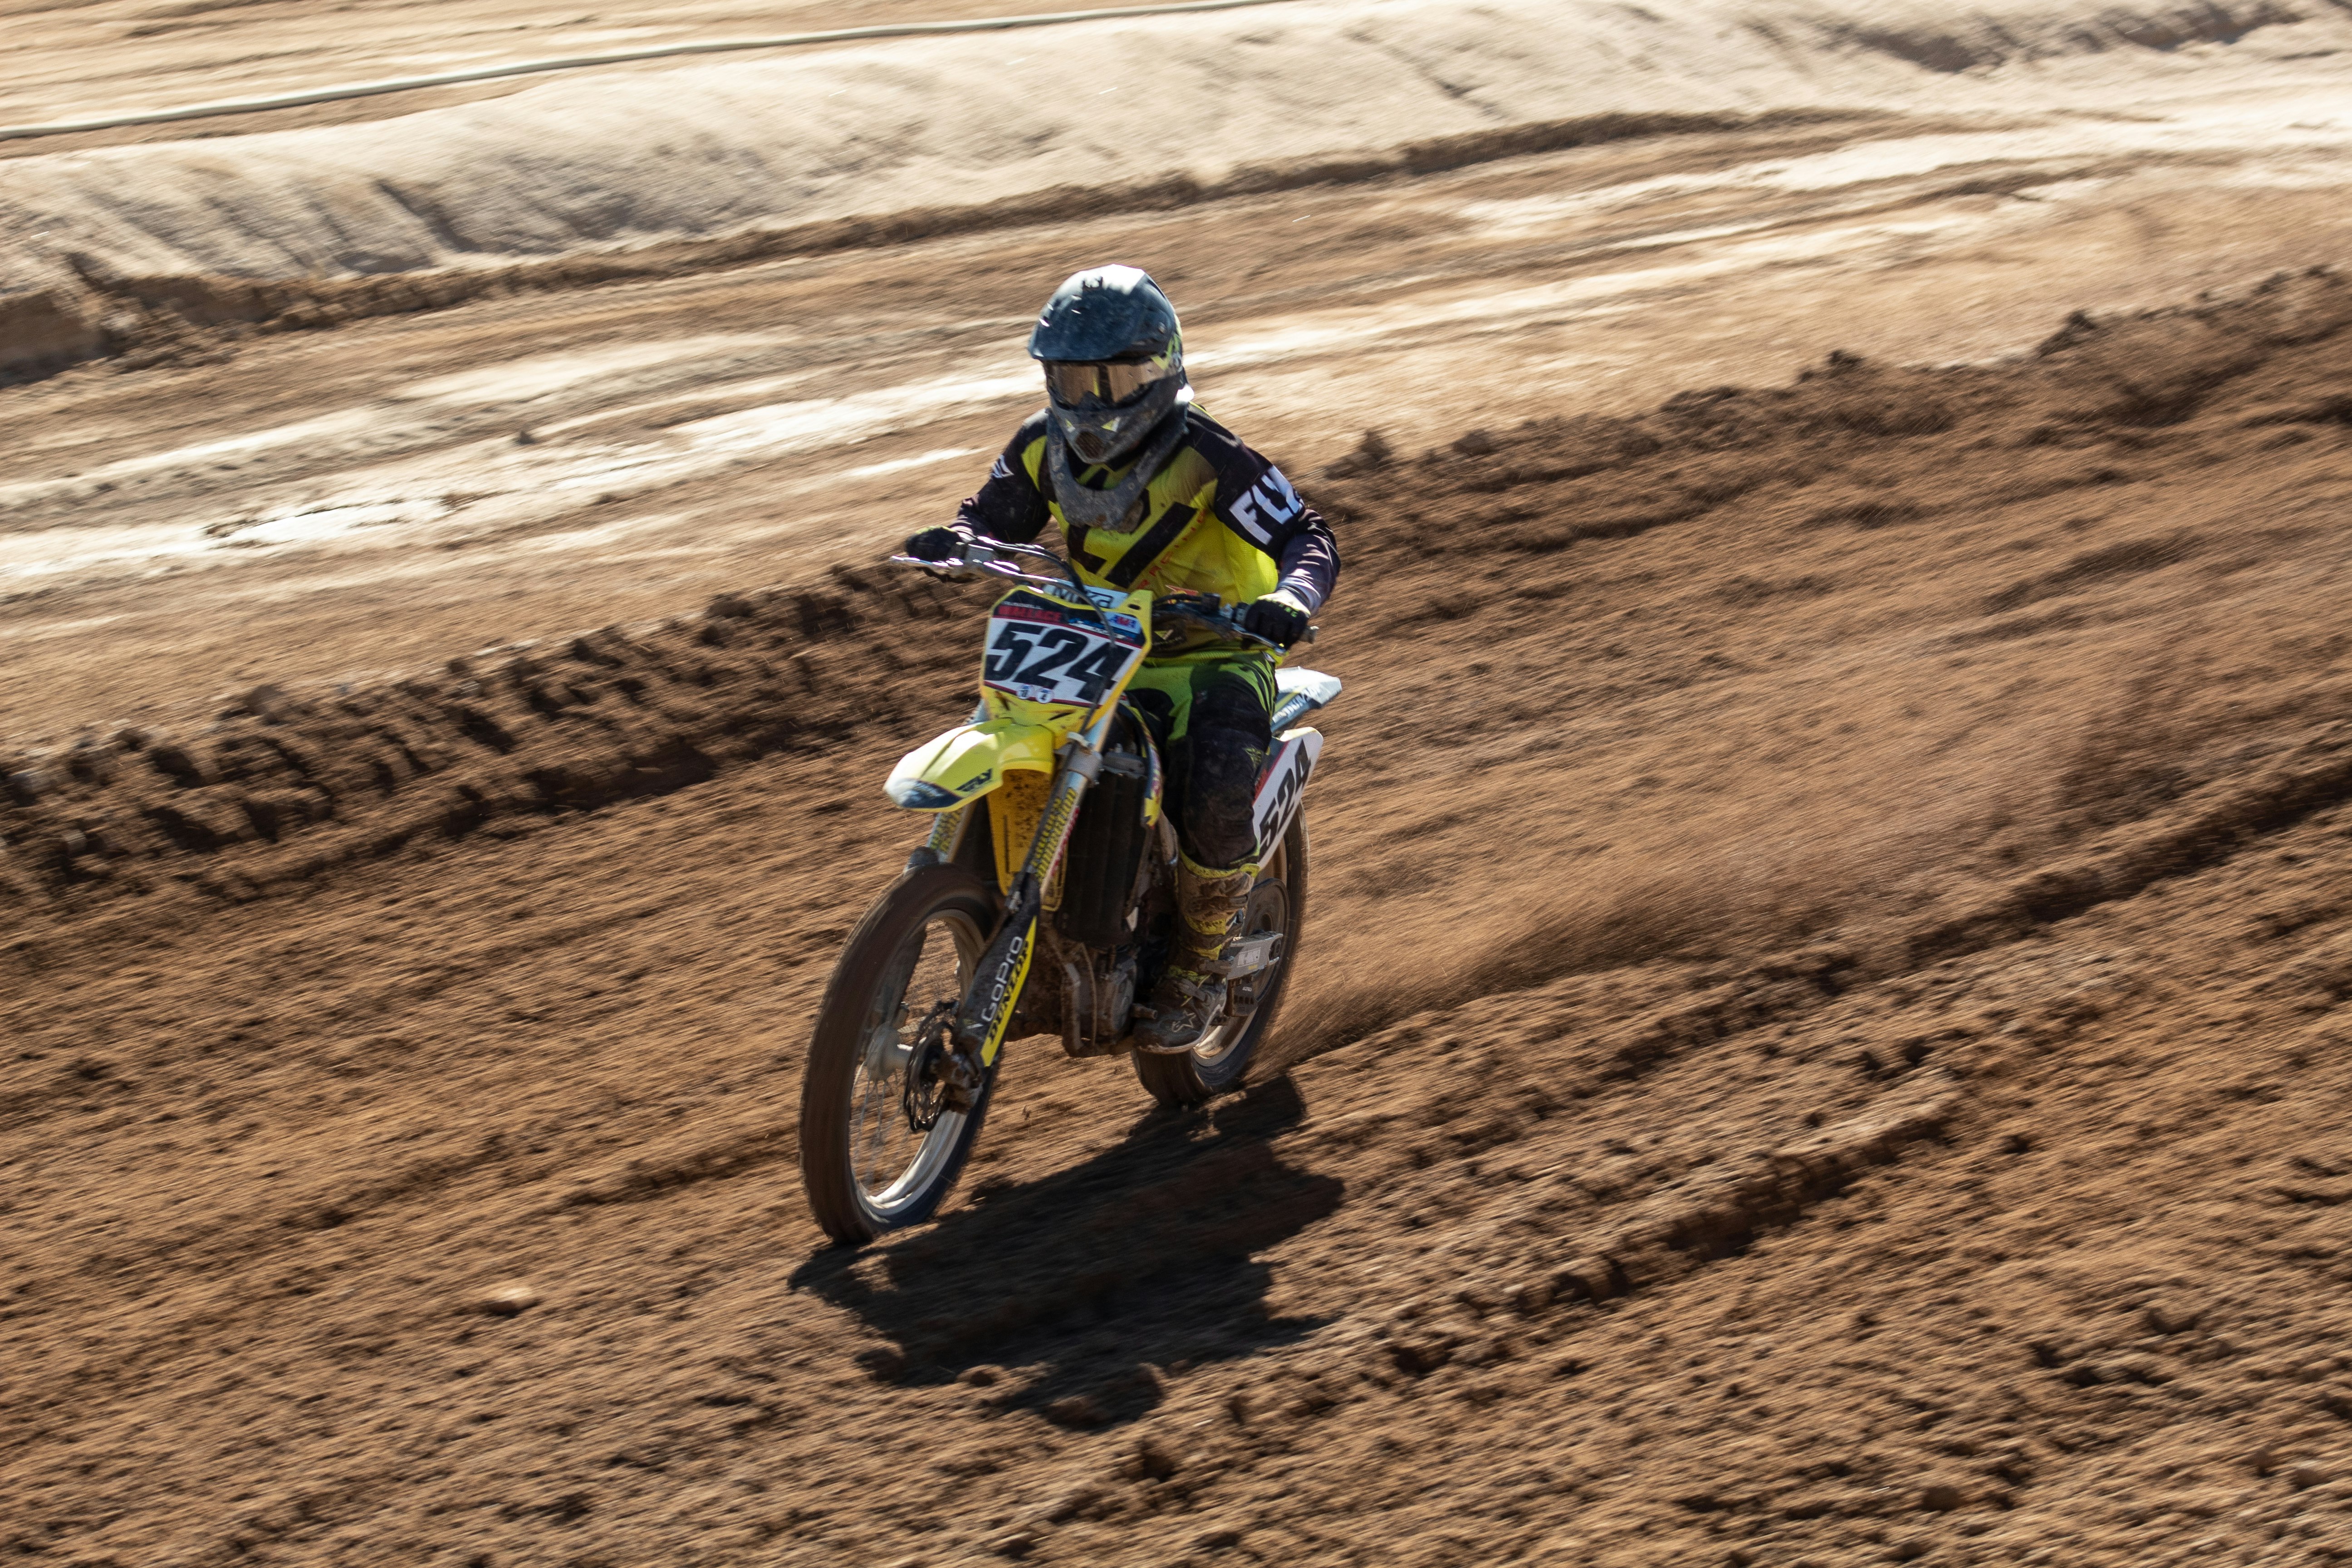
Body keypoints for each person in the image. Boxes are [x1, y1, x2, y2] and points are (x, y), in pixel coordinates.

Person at [904, 264, 1339, 1053]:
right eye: (1074, 378)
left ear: (1164, 365)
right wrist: (961, 540)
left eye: (1116, 377)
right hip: (1094, 648)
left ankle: (1201, 967)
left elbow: (1307, 536)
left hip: (1214, 650)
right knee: (1009, 729)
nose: (1094, 401)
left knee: (1211, 787)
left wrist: (1288, 604)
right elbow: (992, 519)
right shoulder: (1042, 447)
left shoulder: (1207, 452)